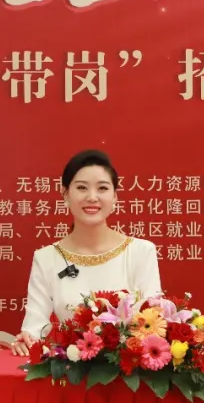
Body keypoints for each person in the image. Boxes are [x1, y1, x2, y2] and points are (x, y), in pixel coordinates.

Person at [10, 150, 162, 356]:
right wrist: (27, 341)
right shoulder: (46, 258)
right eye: (81, 187)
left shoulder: (141, 252)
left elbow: (154, 321)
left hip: (128, 368)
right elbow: (34, 328)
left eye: (102, 188)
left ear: (115, 196)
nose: (92, 197)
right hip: (70, 366)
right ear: (66, 195)